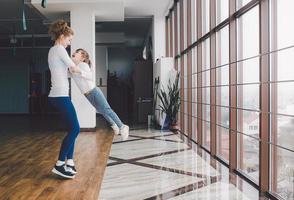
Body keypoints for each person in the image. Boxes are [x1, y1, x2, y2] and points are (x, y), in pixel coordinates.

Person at [69, 48, 129, 140]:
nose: (74, 53)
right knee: (101, 111)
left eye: (77, 52)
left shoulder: (83, 65)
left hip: (94, 91)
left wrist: (78, 71)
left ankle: (123, 127)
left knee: (107, 109)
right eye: (74, 52)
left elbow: (90, 76)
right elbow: (68, 75)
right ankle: (114, 125)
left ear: (82, 58)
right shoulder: (74, 67)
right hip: (87, 95)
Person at [47, 20, 81, 179]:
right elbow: (72, 67)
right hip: (59, 95)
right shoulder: (59, 49)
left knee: (72, 128)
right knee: (75, 129)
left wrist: (73, 69)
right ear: (62, 36)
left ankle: (70, 162)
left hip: (59, 95)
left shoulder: (53, 50)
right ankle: (60, 164)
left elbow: (64, 73)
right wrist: (81, 64)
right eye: (69, 40)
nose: (69, 43)